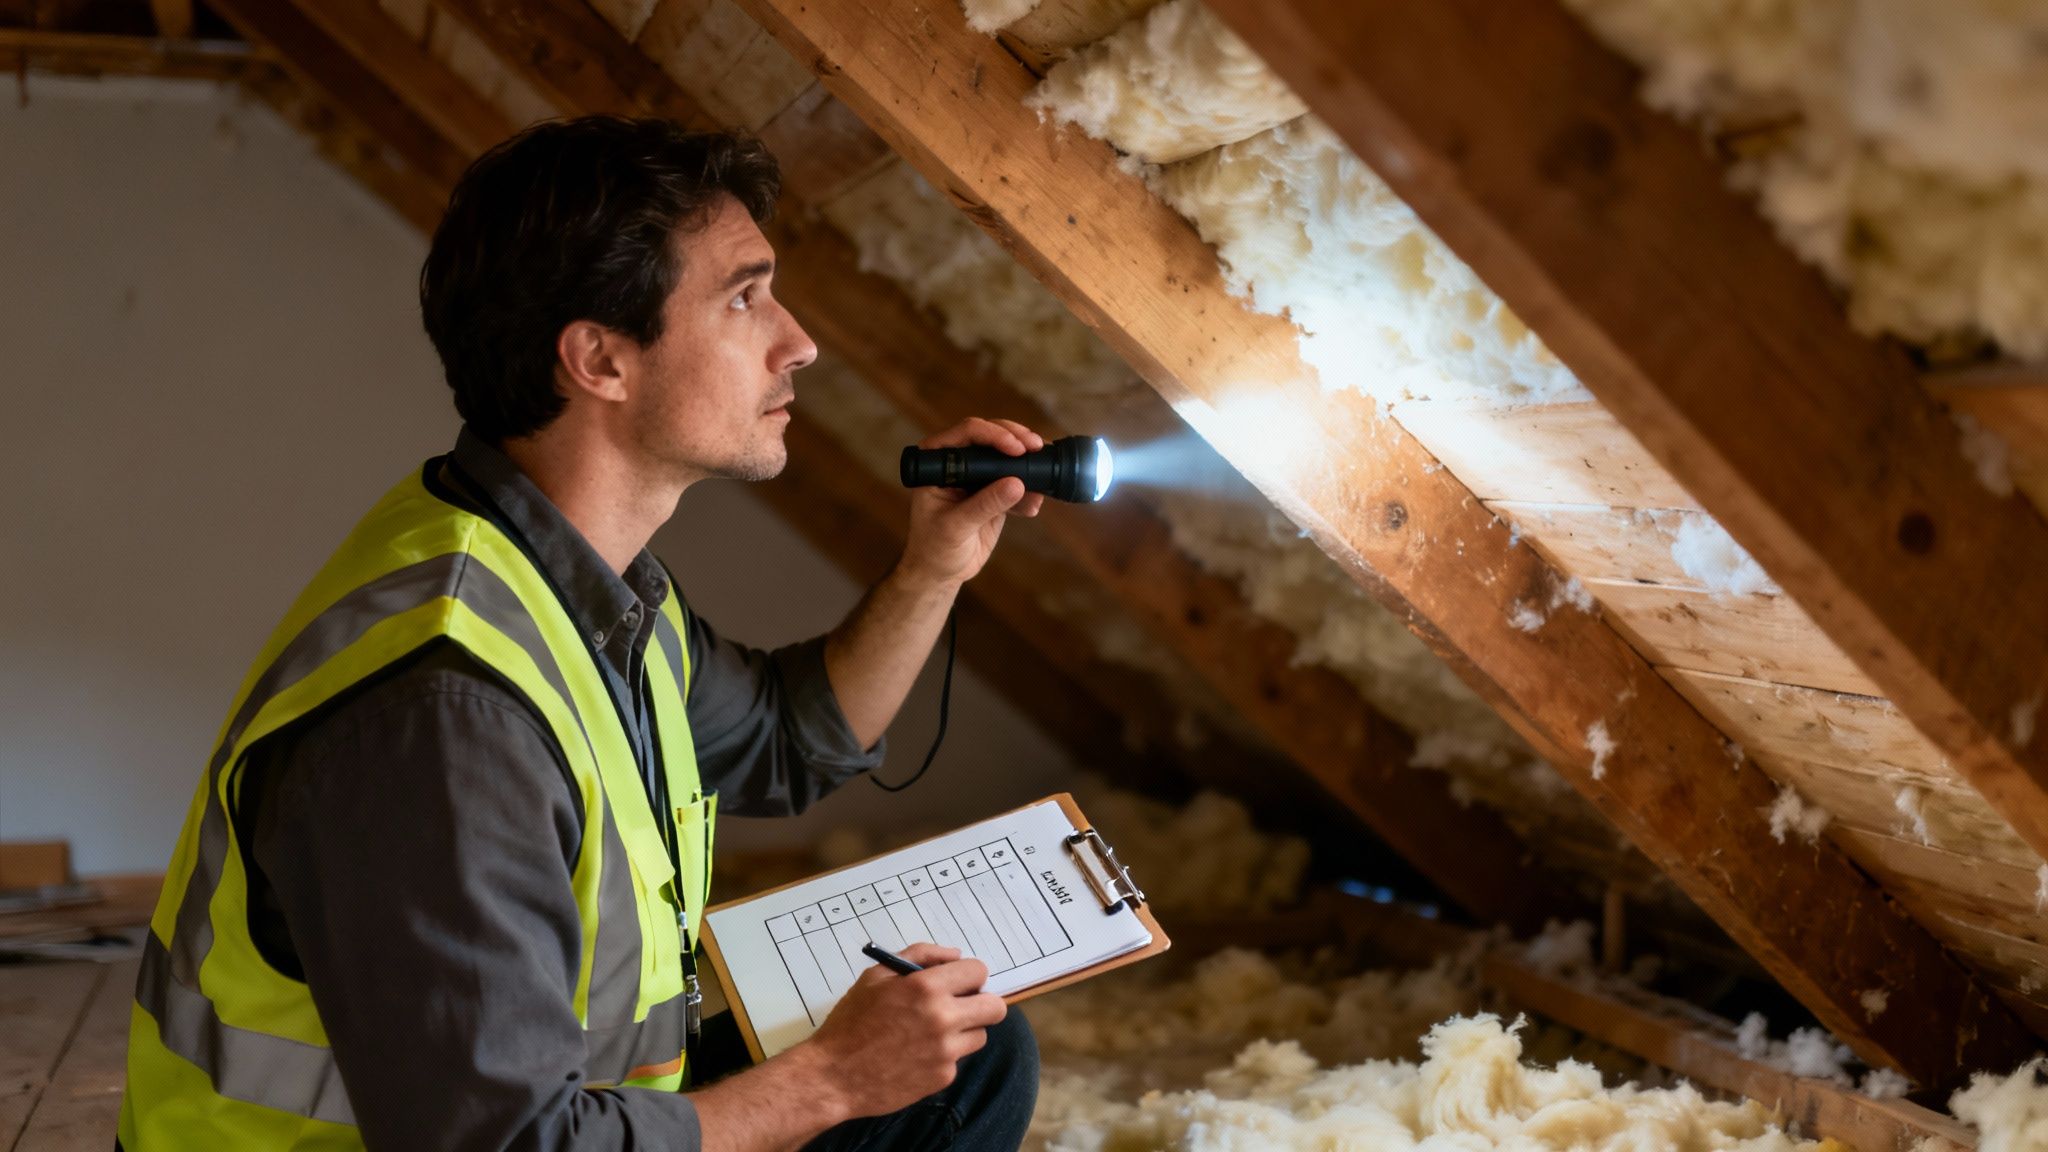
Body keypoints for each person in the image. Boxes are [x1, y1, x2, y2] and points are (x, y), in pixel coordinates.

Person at [119, 115, 1045, 1151]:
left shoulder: (575, 583)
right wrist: (827, 1081)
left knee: (962, 1055)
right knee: (897, 1073)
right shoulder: (444, 717)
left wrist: (934, 569)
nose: (799, 341)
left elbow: (789, 740)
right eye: (744, 297)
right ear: (599, 360)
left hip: (542, 1117)